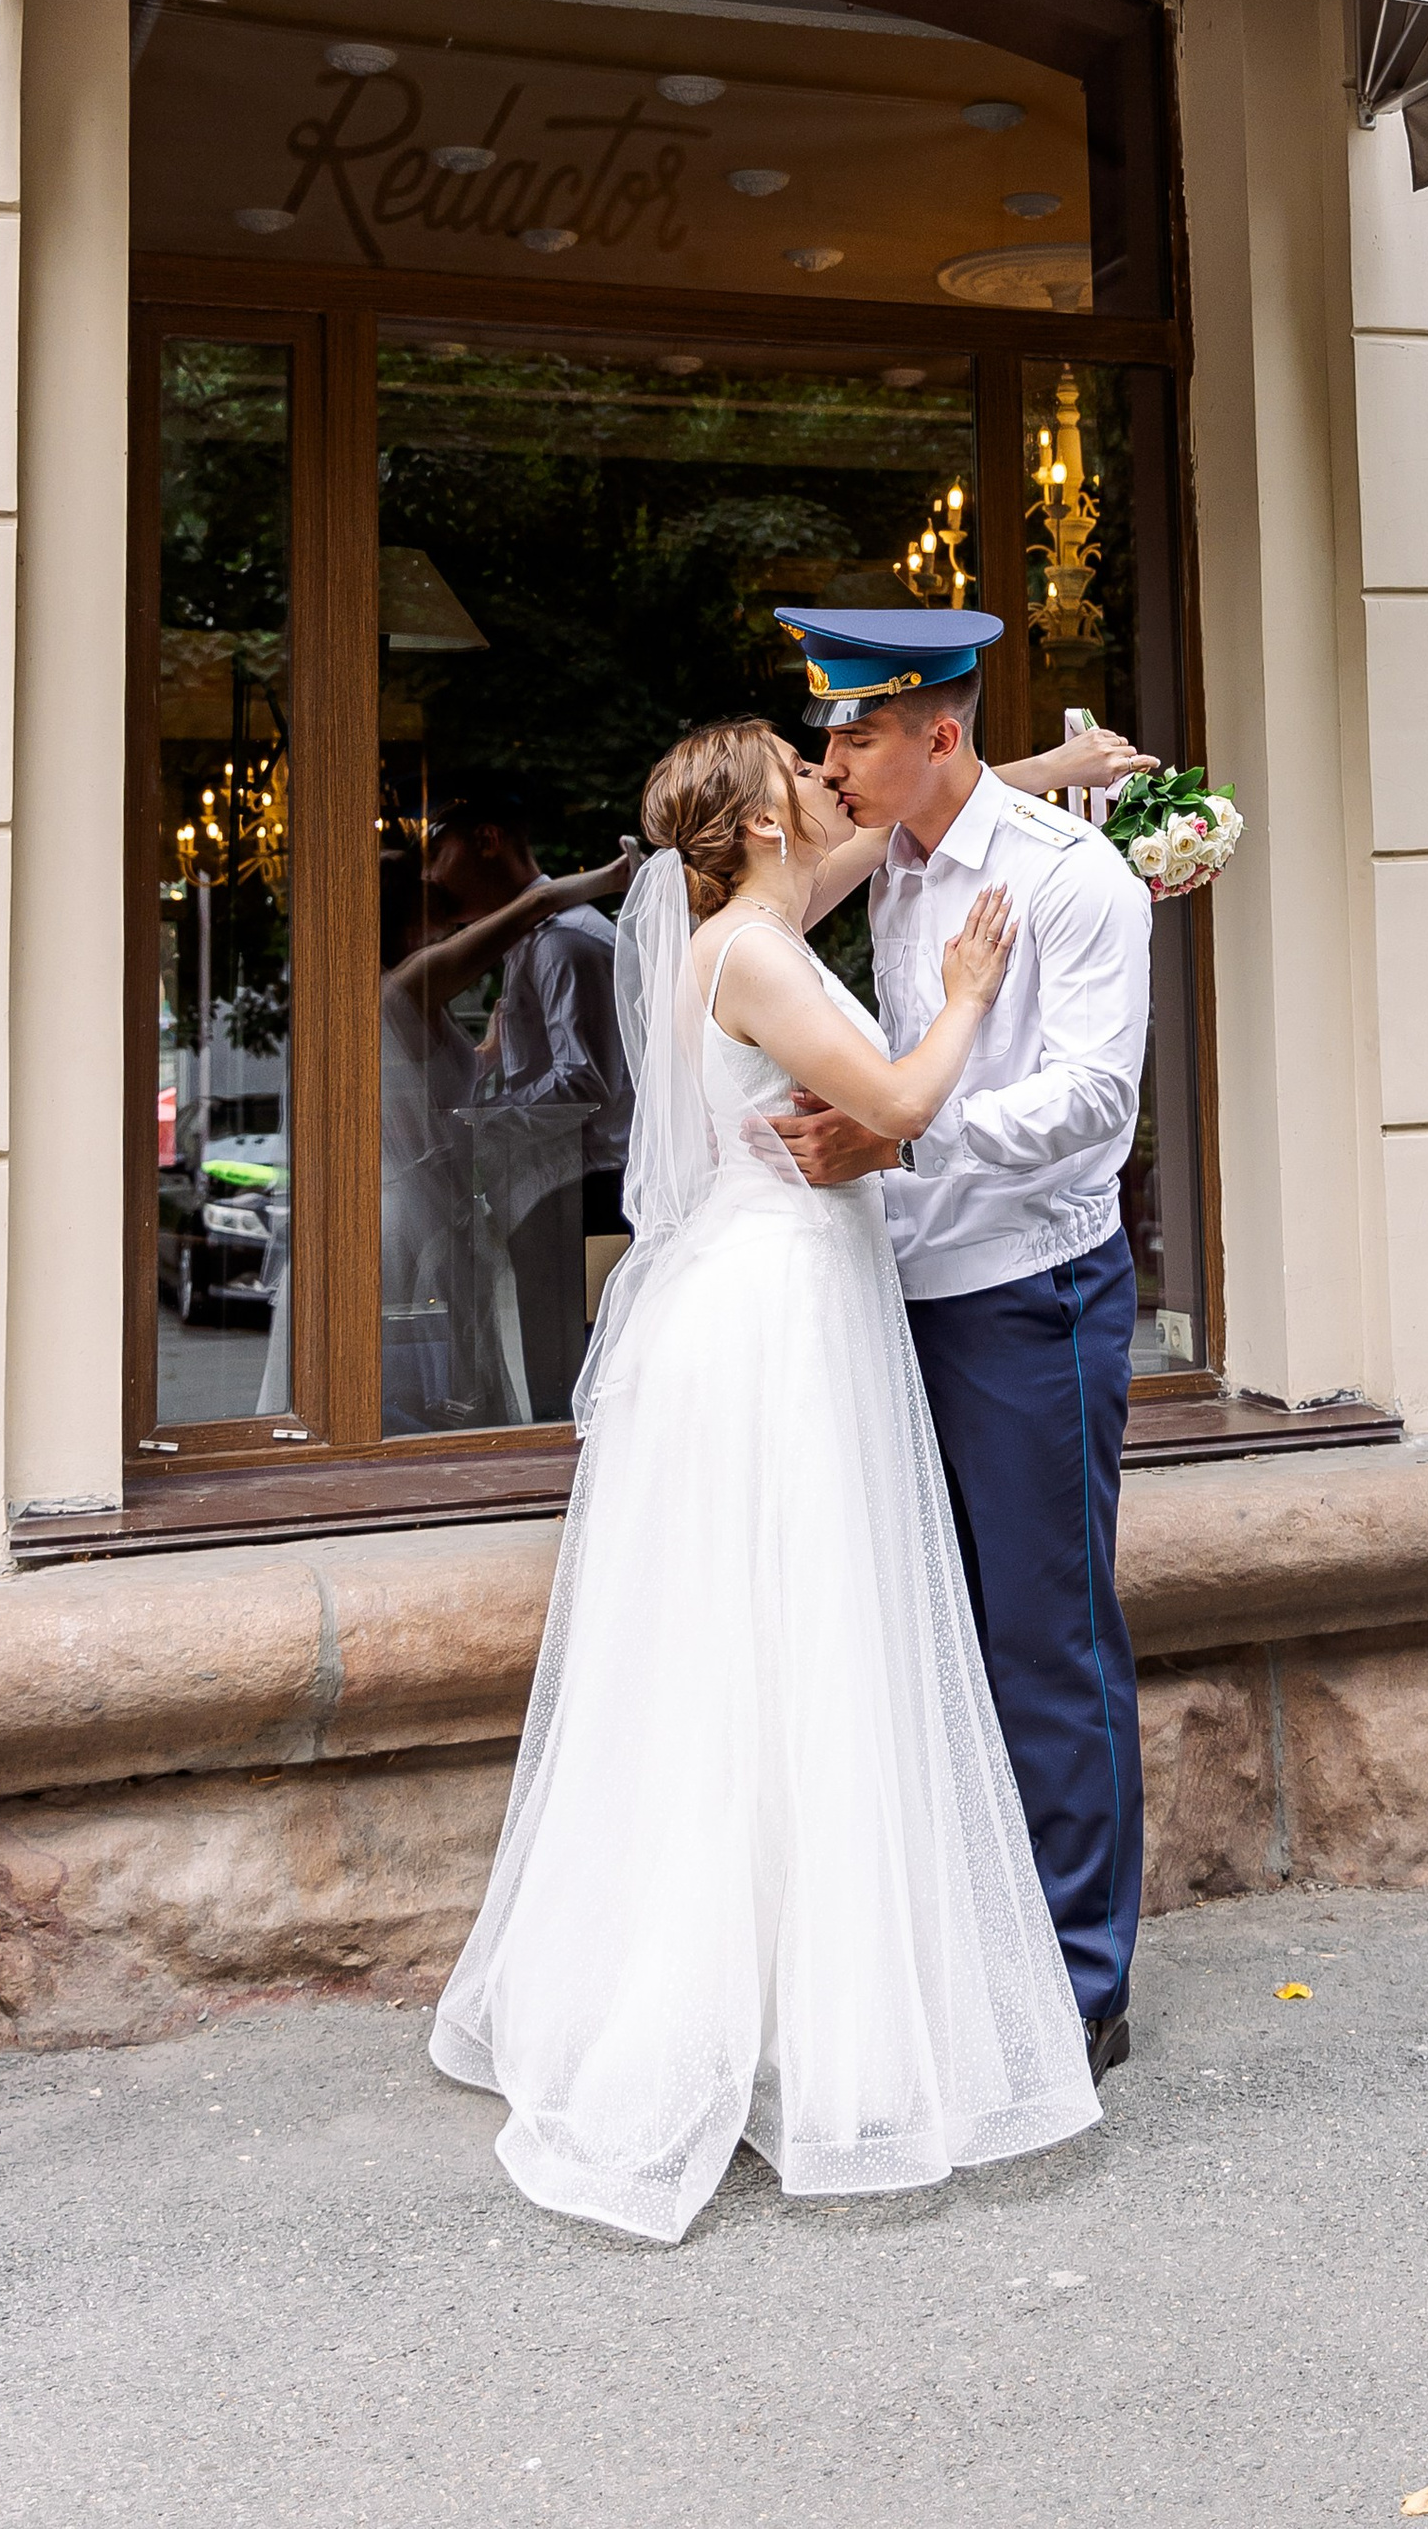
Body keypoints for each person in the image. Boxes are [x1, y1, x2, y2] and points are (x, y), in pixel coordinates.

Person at [431, 718, 1103, 2238]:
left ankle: (795, 1995)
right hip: (777, 1319)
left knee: (777, 1641)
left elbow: (873, 842)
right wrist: (972, 995)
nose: (829, 782)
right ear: (757, 819)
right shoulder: (756, 955)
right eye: (802, 774)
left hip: (768, 1295)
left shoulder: (755, 923)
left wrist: (1047, 783)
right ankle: (762, 2019)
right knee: (793, 1639)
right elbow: (906, 1102)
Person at [764, 606, 1157, 2087]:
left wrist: (901, 1136)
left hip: (1032, 1290)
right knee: (930, 1637)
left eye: (857, 732)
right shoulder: (899, 868)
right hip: (904, 1290)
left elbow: (1092, 1106)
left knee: (1044, 1638)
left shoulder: (1075, 878)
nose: (831, 758)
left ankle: (1080, 1981)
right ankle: (981, 1945)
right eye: (828, 730)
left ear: (937, 731)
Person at [424, 790, 635, 1421]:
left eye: (439, 850)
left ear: (486, 838)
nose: (431, 874)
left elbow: (584, 1084)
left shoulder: (564, 941)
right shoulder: (532, 942)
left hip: (588, 1192)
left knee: (580, 1377)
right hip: (558, 1189)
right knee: (558, 1371)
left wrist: (480, 1125)